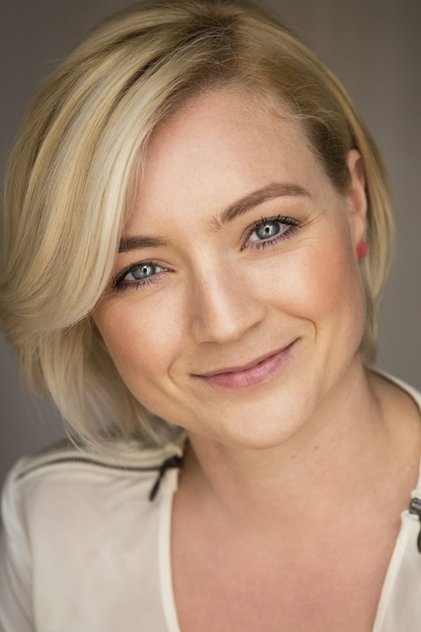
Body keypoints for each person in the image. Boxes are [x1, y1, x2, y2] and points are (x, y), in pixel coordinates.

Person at [0, 0, 420, 630]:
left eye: (267, 228)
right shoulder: (49, 522)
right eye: (142, 271)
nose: (224, 323)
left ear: (353, 202)